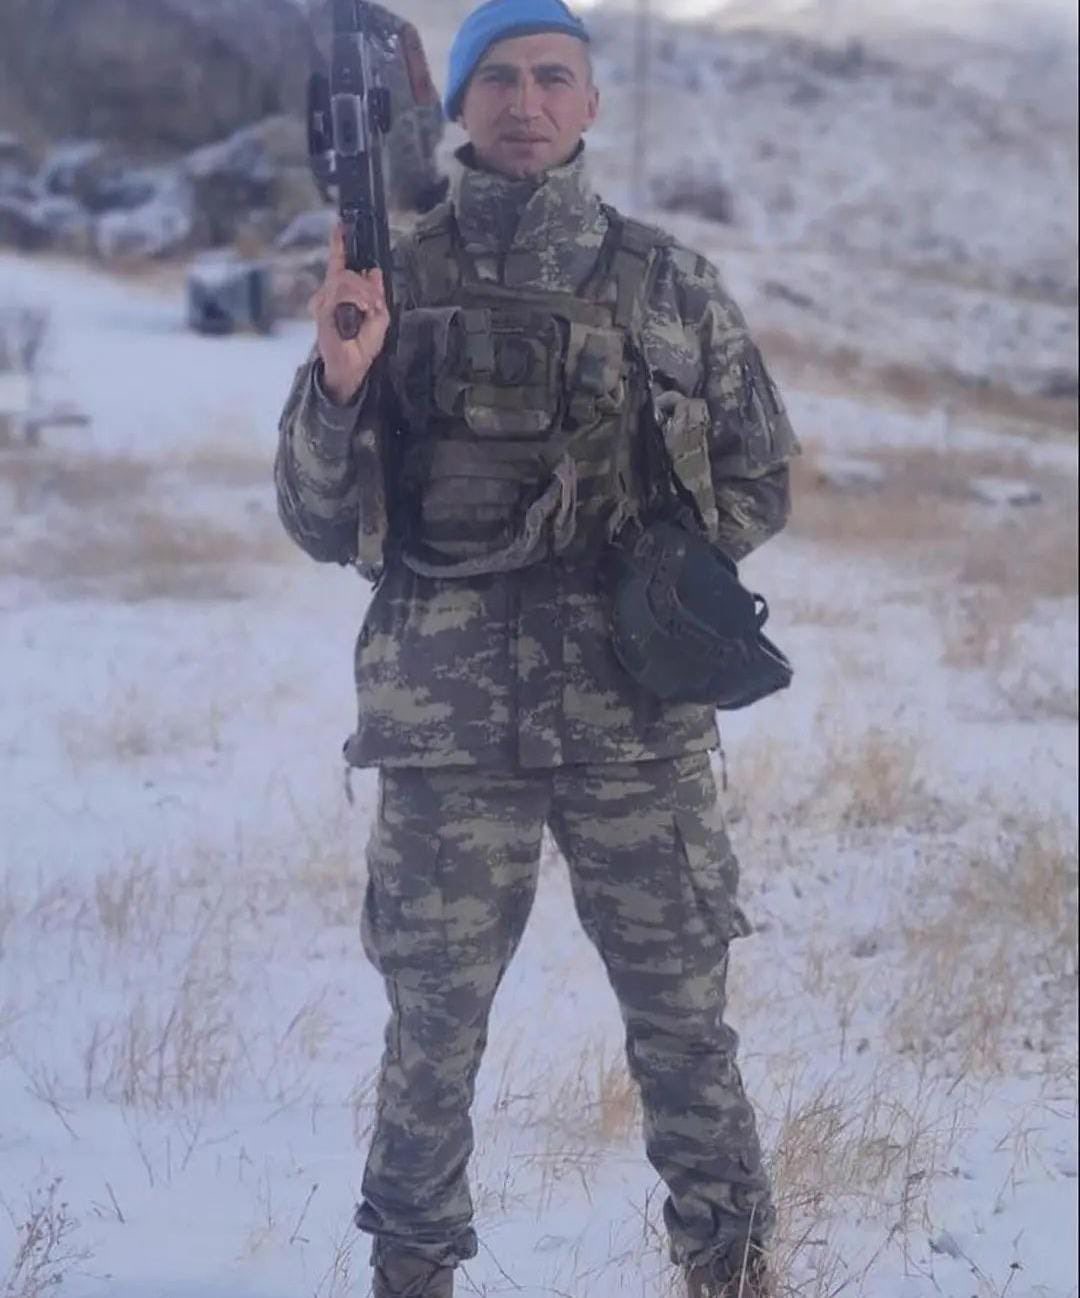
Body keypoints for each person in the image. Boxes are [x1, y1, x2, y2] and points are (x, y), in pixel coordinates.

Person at [274, 2, 798, 1294]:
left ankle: (732, 1270)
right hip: (449, 731)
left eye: (553, 76)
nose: (526, 101)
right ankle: (413, 1274)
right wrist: (340, 379)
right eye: (498, 78)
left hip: (639, 722)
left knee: (686, 1028)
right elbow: (317, 517)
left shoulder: (673, 285)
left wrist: (663, 573)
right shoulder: (391, 280)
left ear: (589, 103)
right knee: (430, 1040)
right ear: (457, 105)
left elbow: (760, 477)